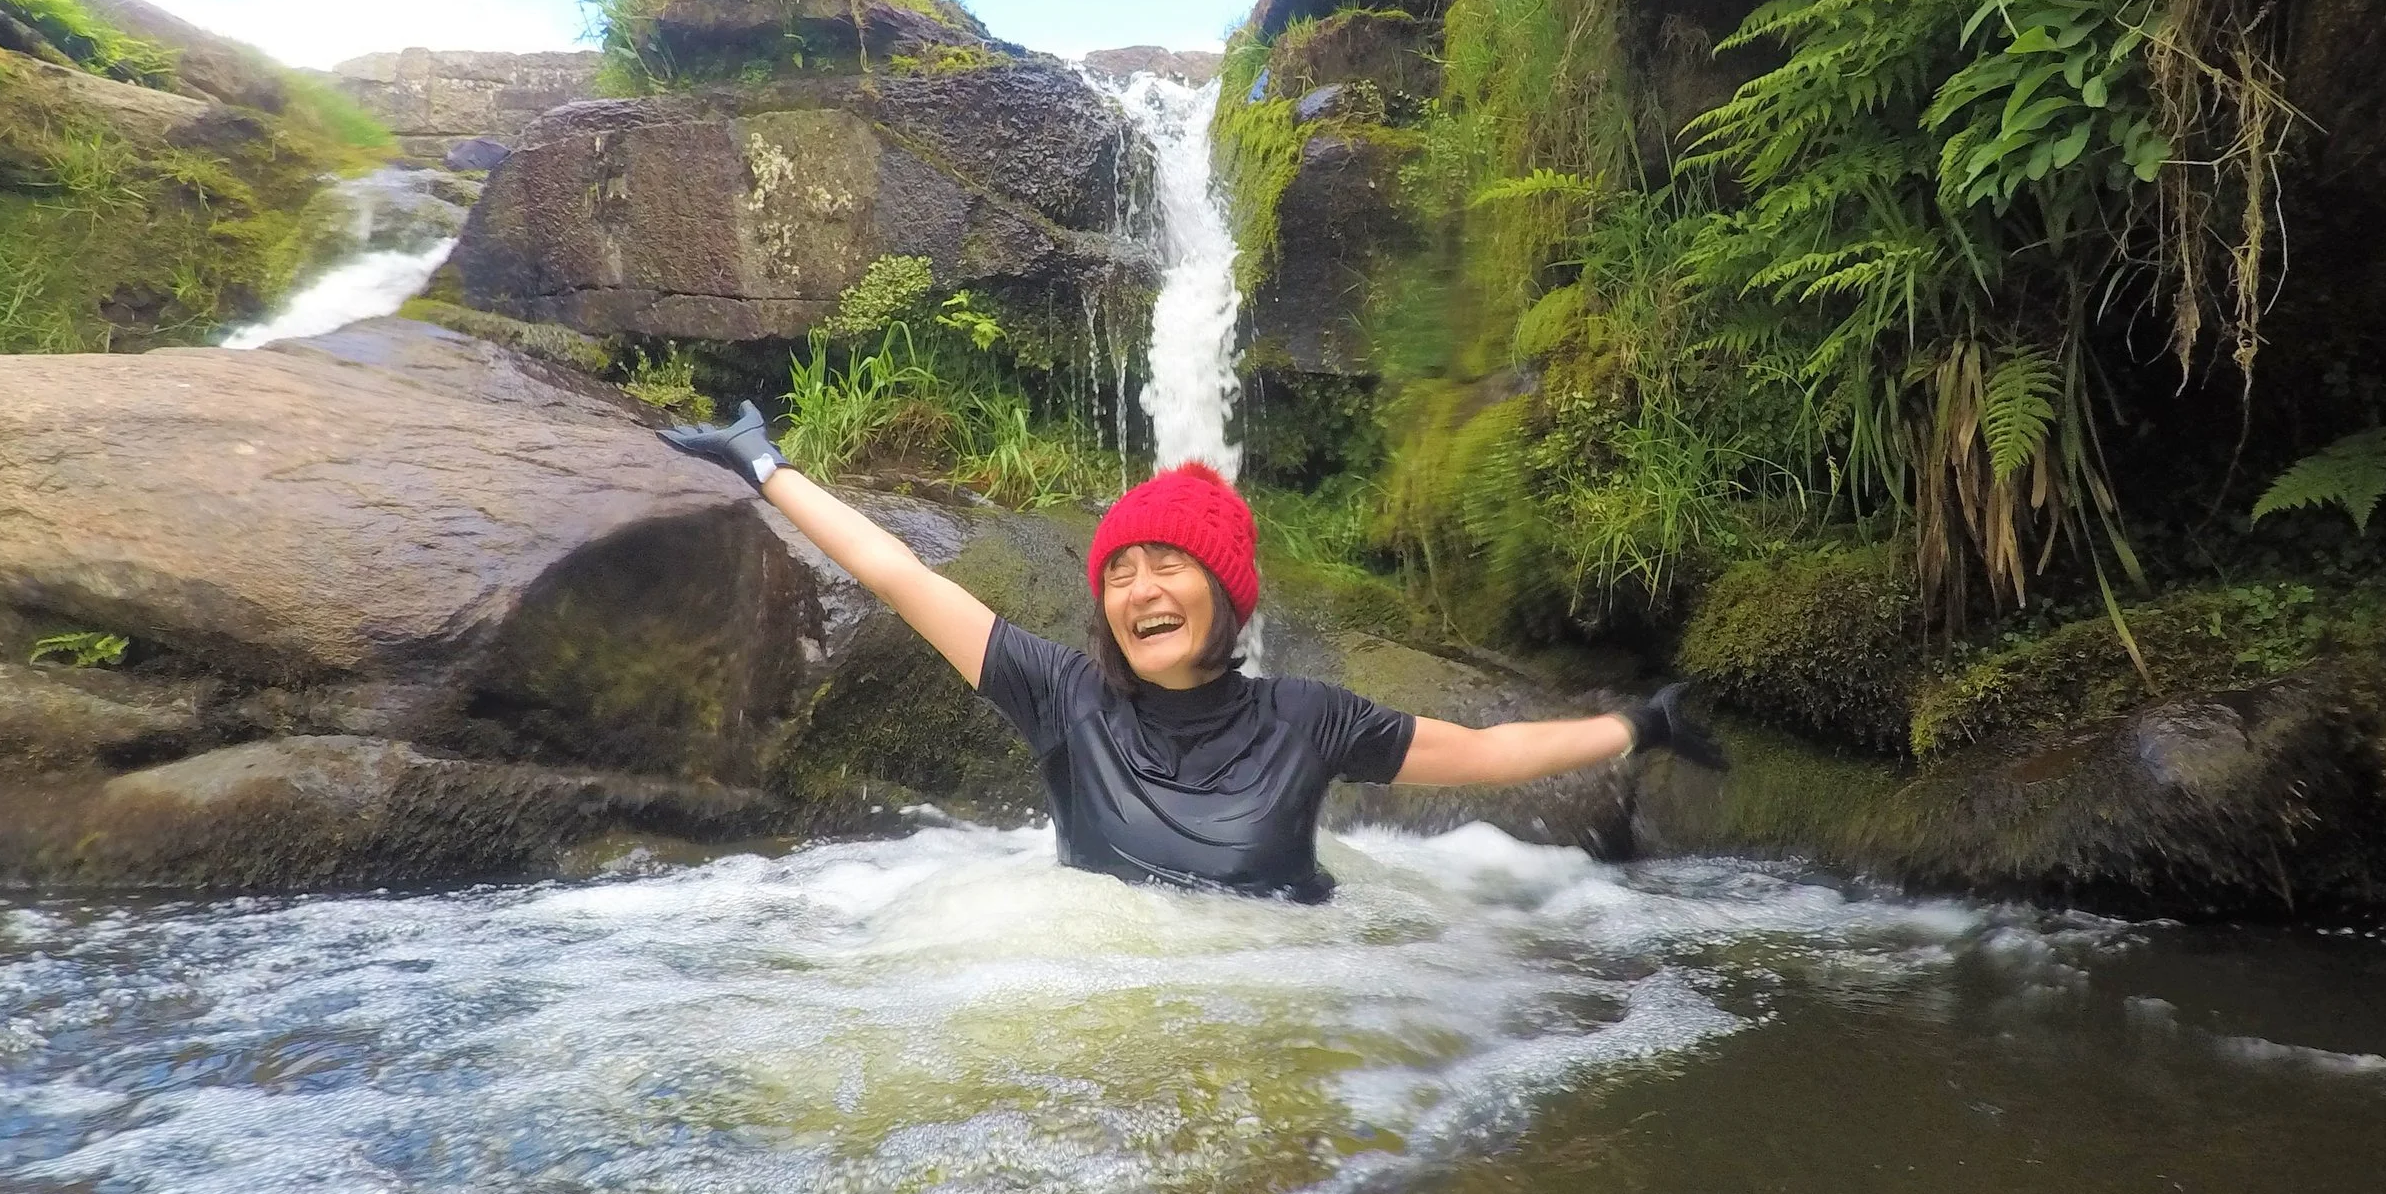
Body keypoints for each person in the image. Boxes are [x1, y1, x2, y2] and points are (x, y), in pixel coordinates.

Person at [661, 402, 1727, 901]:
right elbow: (900, 576)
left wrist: (1638, 726)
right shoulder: (1060, 697)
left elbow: (1486, 756)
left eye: (1168, 565)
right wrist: (766, 464)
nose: (1138, 589)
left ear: (1227, 594)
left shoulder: (1311, 720)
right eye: (1119, 572)